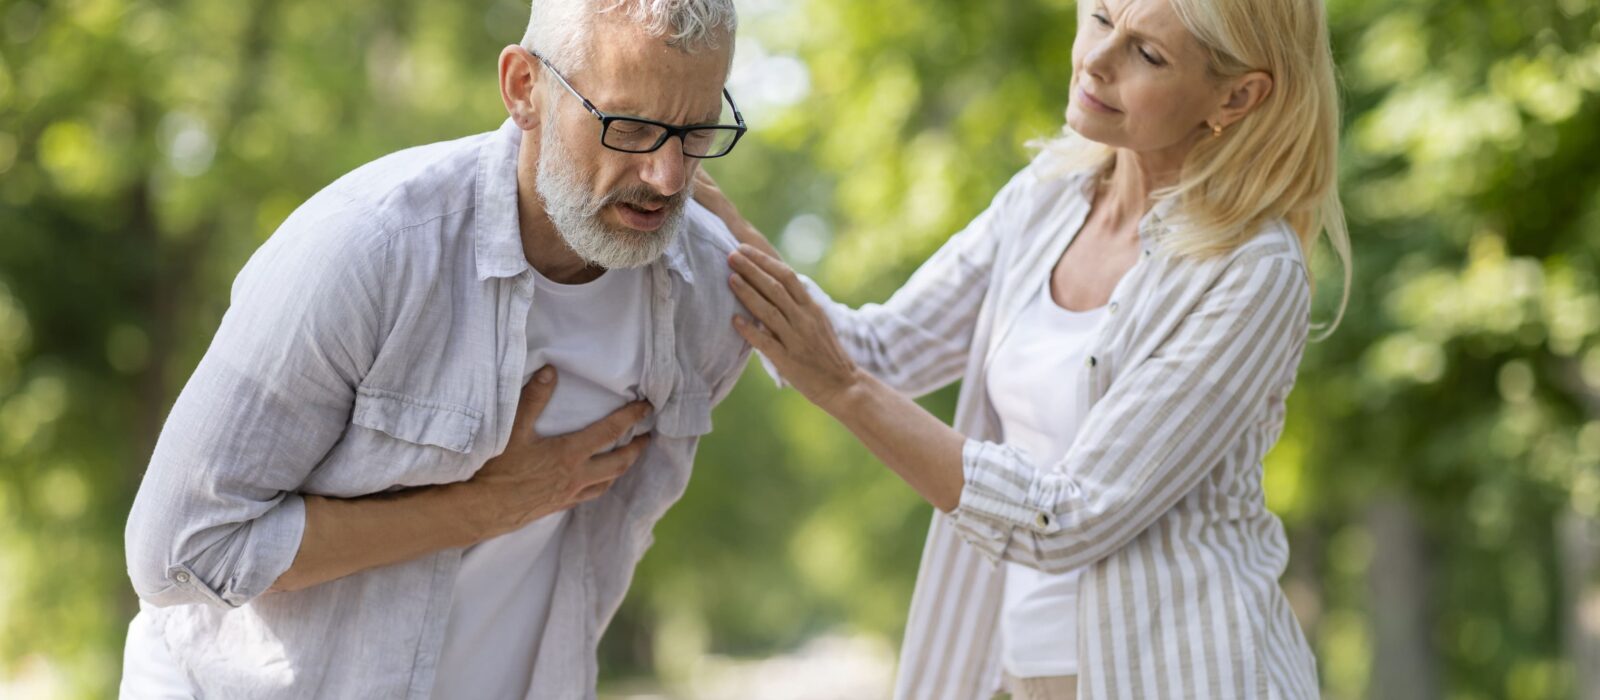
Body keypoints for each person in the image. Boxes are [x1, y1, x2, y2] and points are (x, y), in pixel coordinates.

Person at [693, 0, 1350, 696]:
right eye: (1098, 16)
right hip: (1014, 676)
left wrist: (847, 393)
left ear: (1238, 96)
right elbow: (876, 350)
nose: (1097, 59)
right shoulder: (1044, 199)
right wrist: (712, 215)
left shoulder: (1251, 271)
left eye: (1147, 54)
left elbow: (1068, 518)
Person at [119, 1, 749, 697]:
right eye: (629, 127)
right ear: (523, 89)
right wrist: (483, 507)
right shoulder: (367, 250)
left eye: (694, 133)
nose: (666, 177)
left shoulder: (709, 294)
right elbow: (177, 551)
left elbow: (855, 362)